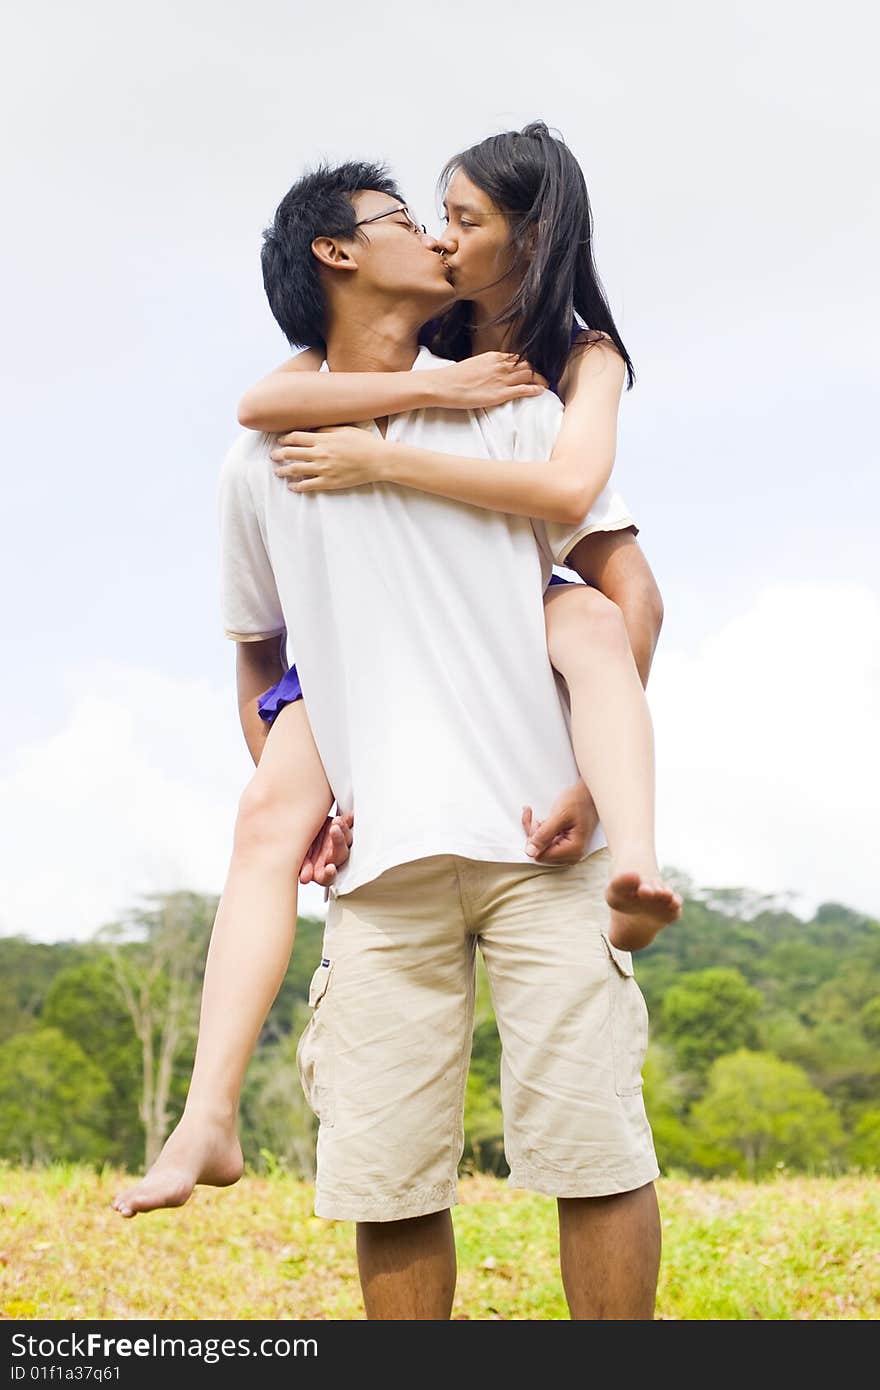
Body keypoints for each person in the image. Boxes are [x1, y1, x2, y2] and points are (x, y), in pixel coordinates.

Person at [117, 151, 665, 1320]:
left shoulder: (518, 400)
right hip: (380, 871)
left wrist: (592, 783)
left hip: (539, 849)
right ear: (337, 252)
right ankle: (203, 1117)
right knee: (388, 1178)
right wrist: (299, 788)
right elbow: (256, 650)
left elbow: (621, 589)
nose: (437, 237)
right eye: (409, 218)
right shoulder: (260, 461)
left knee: (597, 1152)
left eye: (451, 216)